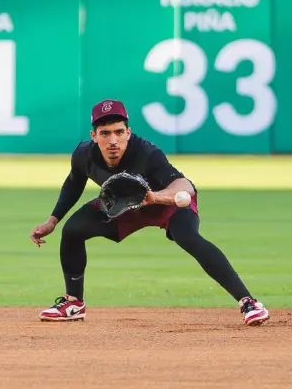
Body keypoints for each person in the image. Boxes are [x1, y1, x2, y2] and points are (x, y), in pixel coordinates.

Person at [29, 99, 270, 326]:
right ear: (94, 136)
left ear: (128, 132)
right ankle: (74, 304)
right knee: (72, 230)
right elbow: (74, 183)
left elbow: (184, 186)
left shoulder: (147, 153)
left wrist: (156, 197)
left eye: (119, 132)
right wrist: (53, 220)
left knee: (188, 238)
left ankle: (248, 302)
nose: (113, 140)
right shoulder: (83, 154)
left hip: (165, 201)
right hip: (125, 205)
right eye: (105, 133)